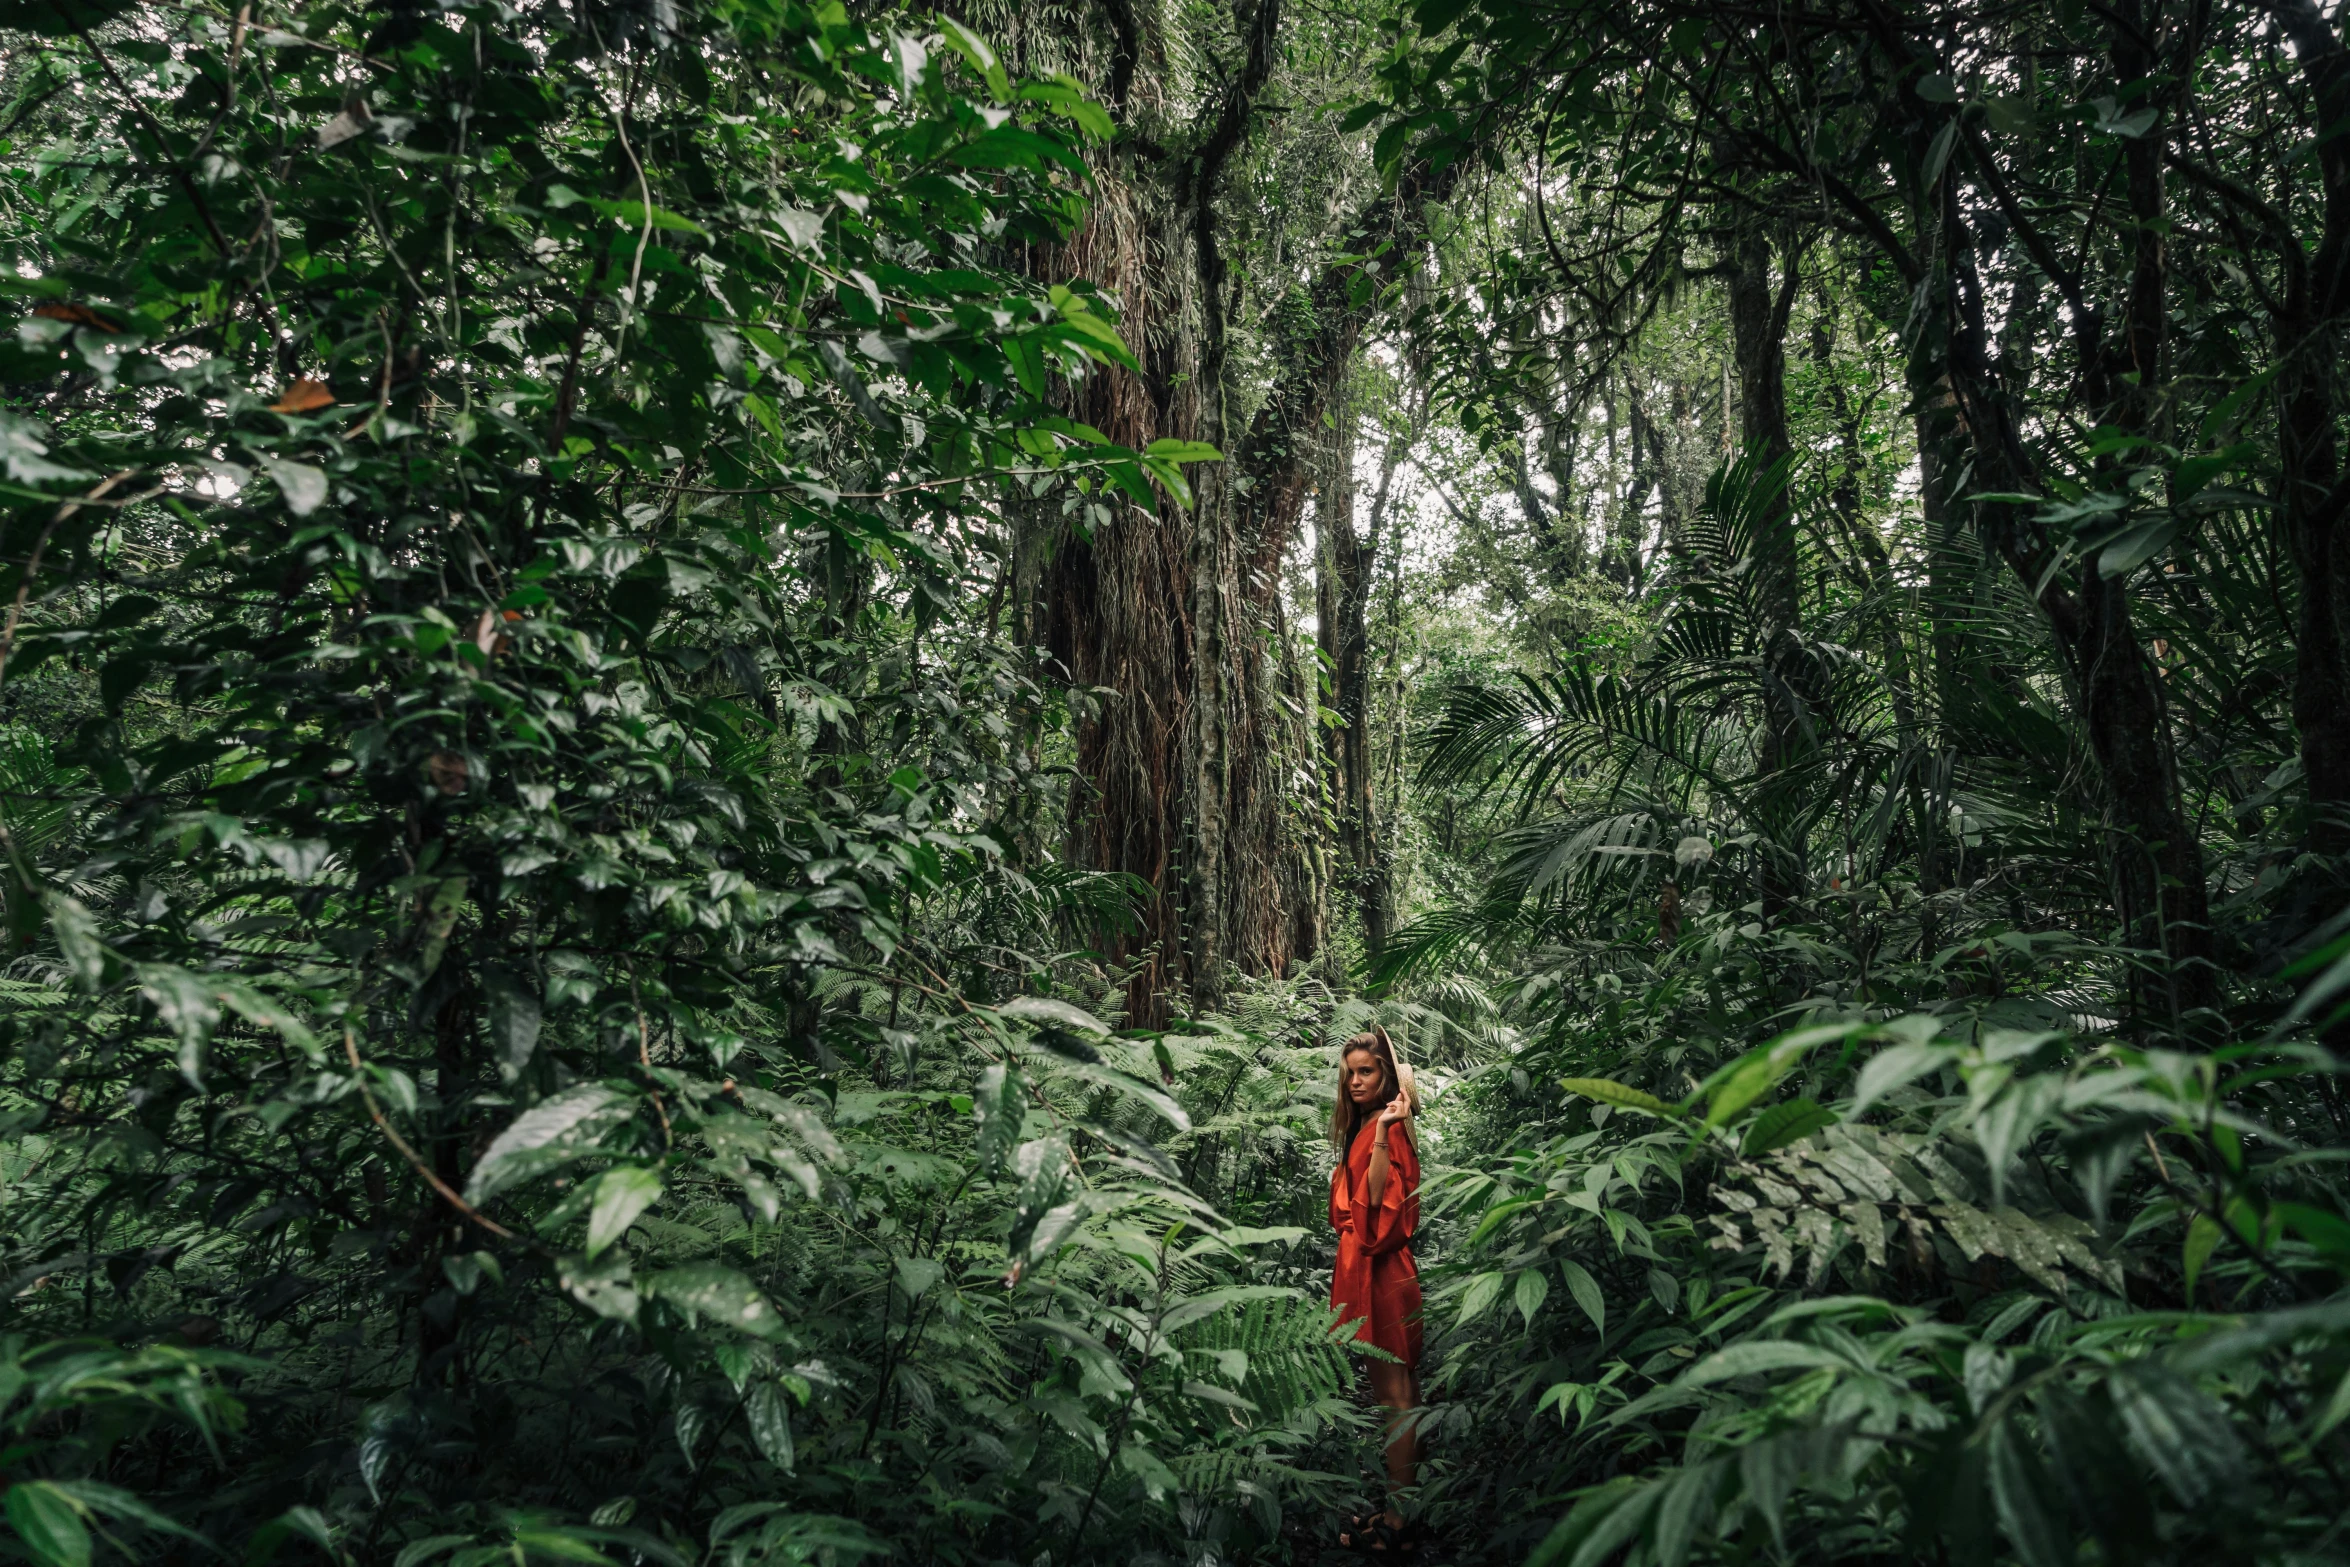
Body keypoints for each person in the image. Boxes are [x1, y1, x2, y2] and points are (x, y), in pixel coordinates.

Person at [1328, 1026, 1425, 1554]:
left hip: (1382, 1271)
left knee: (1396, 1398)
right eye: (1350, 1073)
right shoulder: (1363, 1126)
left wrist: (1388, 1129)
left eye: (1367, 1071)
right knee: (1398, 1394)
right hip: (1370, 1269)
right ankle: (1398, 1511)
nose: (1356, 1081)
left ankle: (1399, 1522)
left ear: (1386, 1075)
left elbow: (1380, 1213)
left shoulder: (1387, 1129)